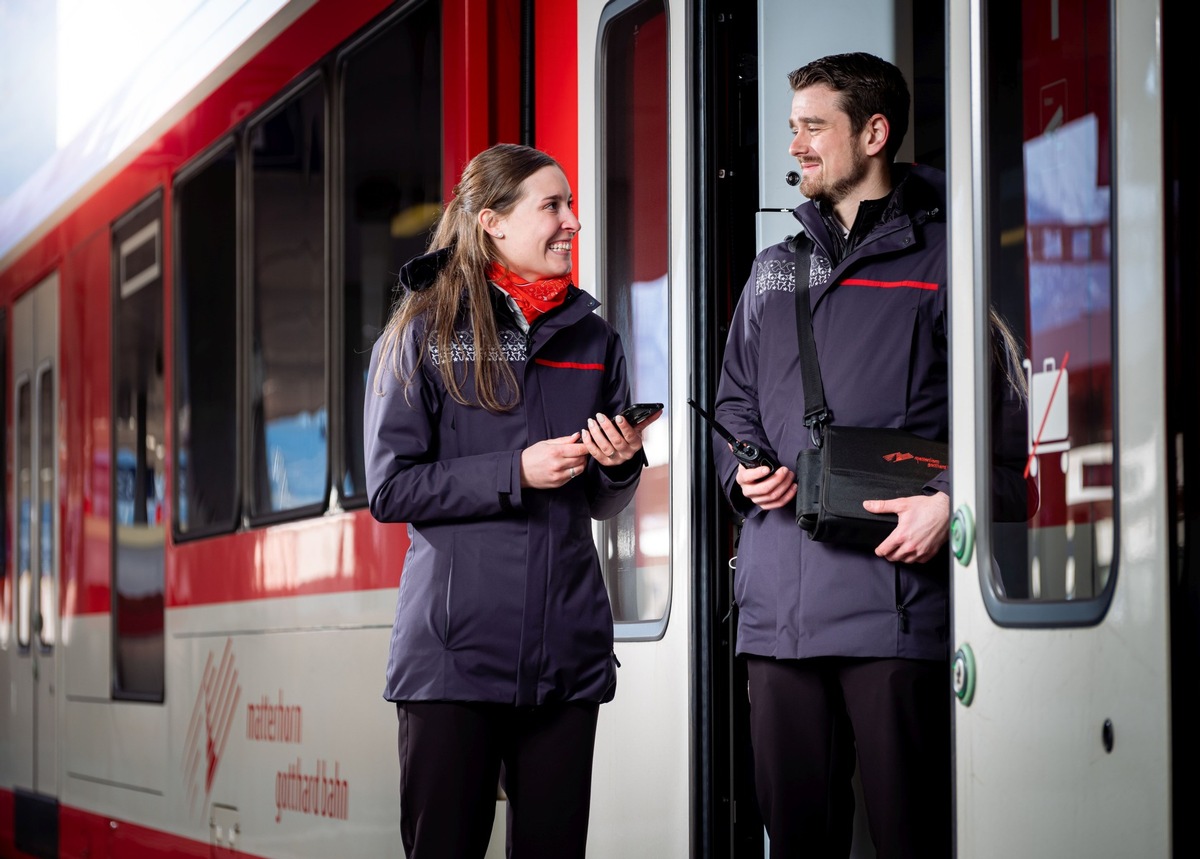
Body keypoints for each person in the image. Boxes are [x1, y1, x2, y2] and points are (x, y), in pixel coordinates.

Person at [711, 53, 1031, 857]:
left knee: (911, 837)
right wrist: (741, 466)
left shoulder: (948, 265)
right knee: (798, 842)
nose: (798, 147)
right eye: (794, 130)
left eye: (815, 127)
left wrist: (946, 499)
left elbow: (1003, 440)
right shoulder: (773, 271)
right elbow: (734, 401)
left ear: (875, 133)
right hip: (778, 616)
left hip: (894, 613)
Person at [363, 142, 656, 859]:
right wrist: (514, 470)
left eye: (571, 205)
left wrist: (619, 466)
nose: (573, 222)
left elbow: (599, 499)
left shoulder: (593, 337)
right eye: (552, 206)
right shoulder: (425, 330)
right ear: (492, 221)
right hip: (454, 660)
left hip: (564, 657)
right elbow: (391, 487)